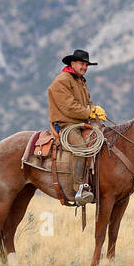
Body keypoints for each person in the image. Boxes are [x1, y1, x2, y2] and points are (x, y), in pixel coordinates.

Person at [47, 49, 107, 205]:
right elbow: (68, 107)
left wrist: (95, 109)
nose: (85, 67)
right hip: (67, 123)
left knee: (104, 136)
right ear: (72, 63)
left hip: (81, 121)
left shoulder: (80, 80)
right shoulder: (62, 80)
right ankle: (77, 188)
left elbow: (87, 102)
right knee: (81, 146)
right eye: (82, 64)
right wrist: (90, 111)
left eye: (86, 65)